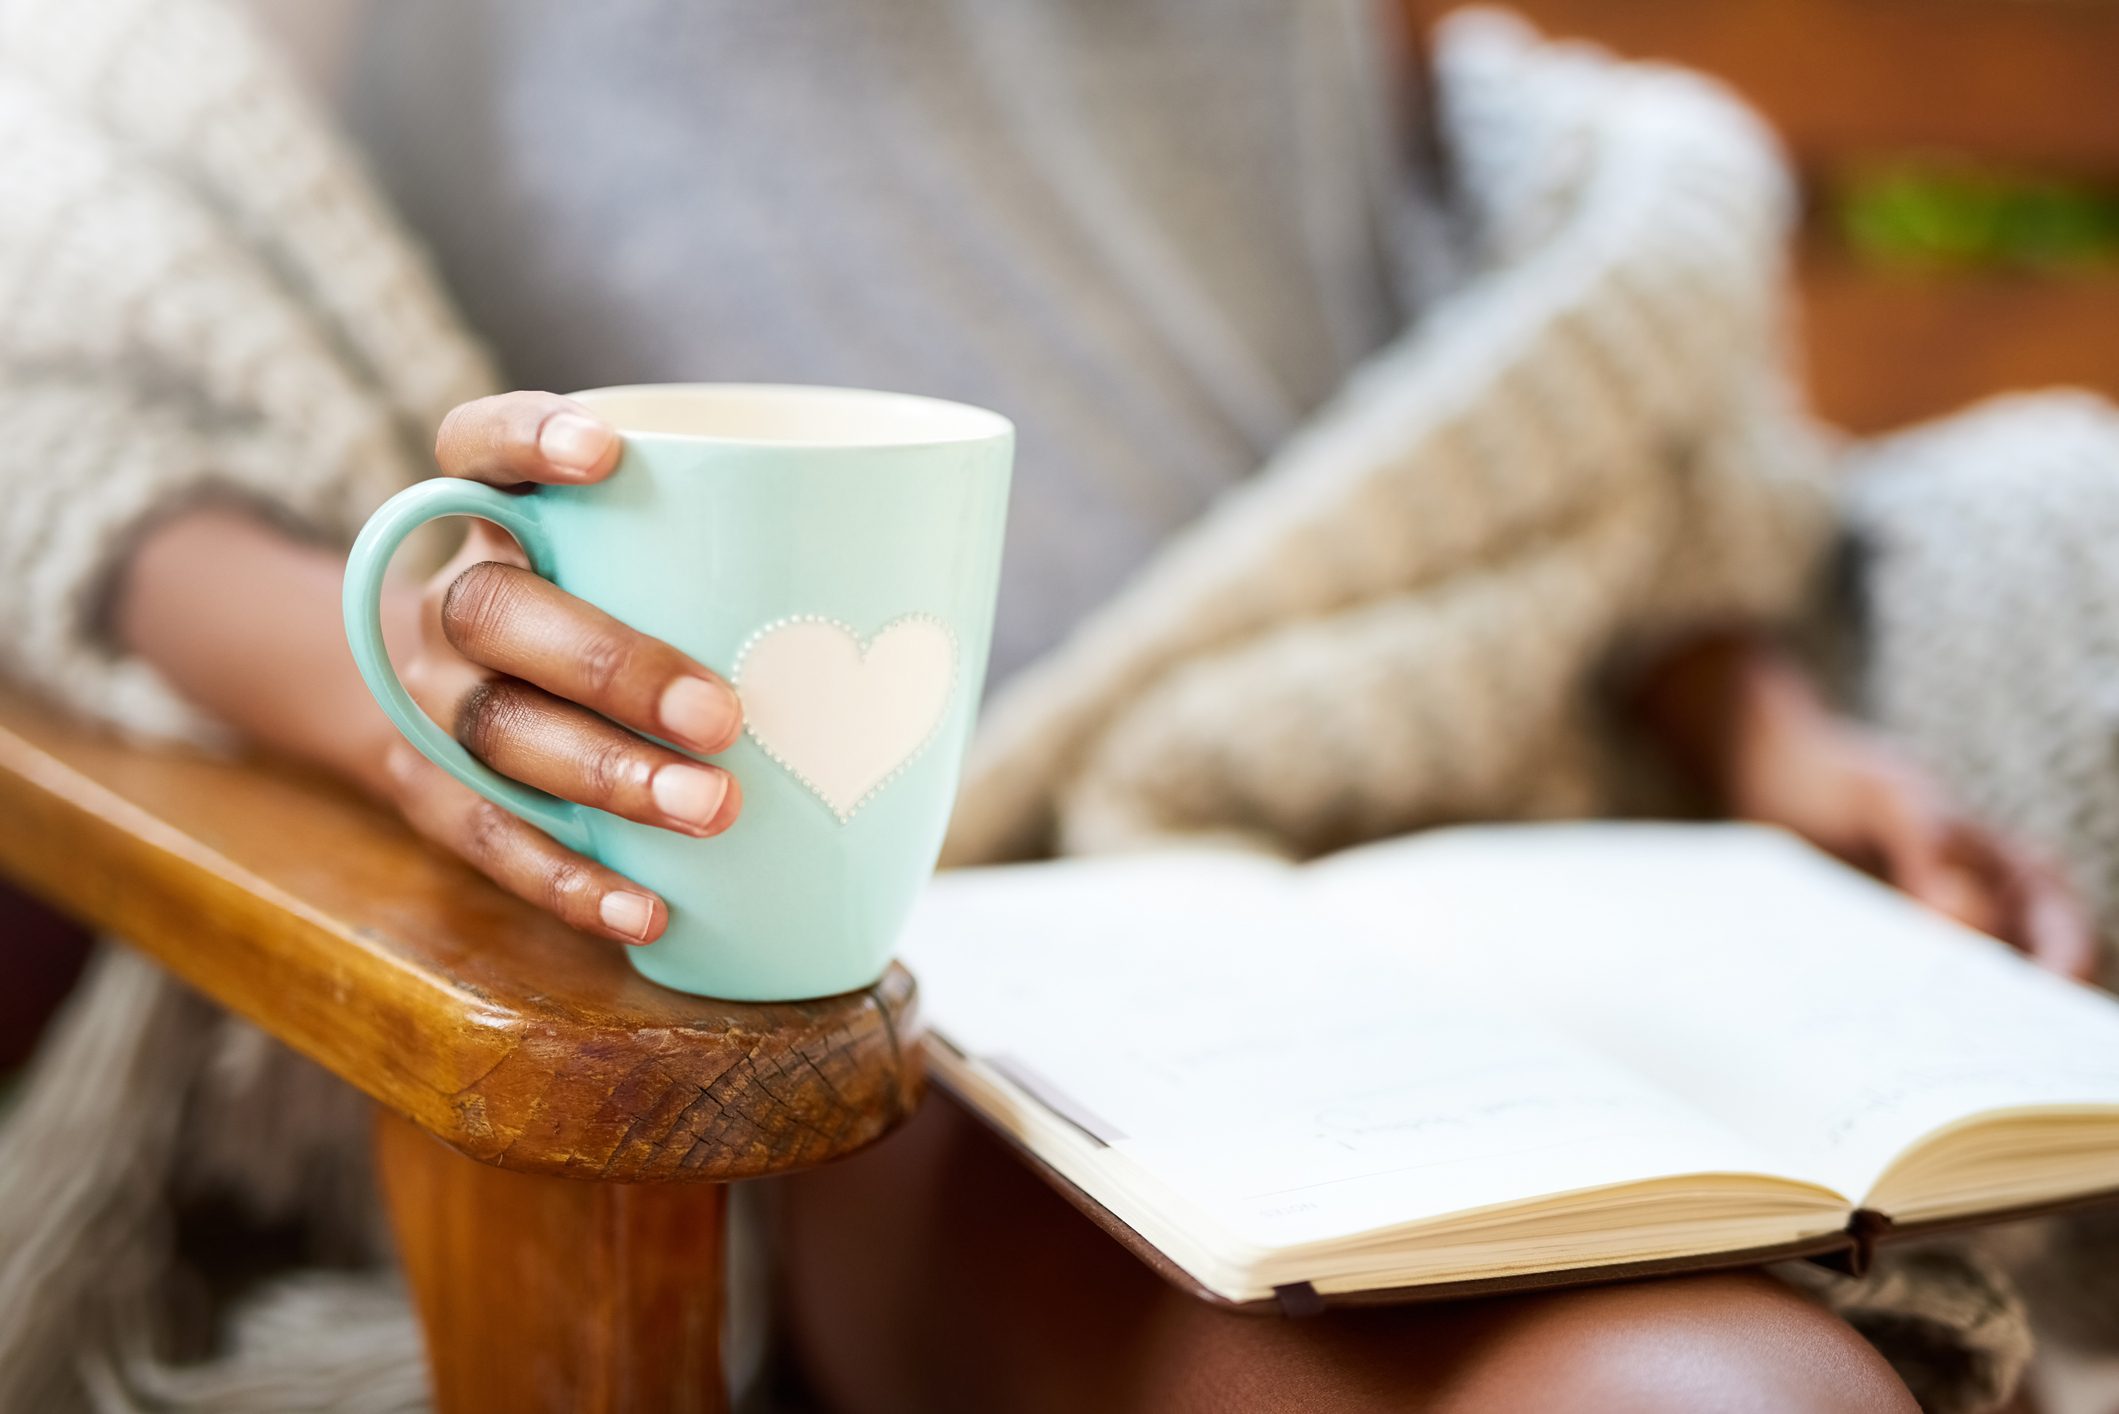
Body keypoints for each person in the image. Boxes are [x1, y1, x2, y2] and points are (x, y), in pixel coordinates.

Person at [0, 0, 2104, 1410]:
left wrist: (1762, 727)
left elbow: (1541, 412)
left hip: (1482, 868)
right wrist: (419, 672)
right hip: (924, 998)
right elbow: (89, 369)